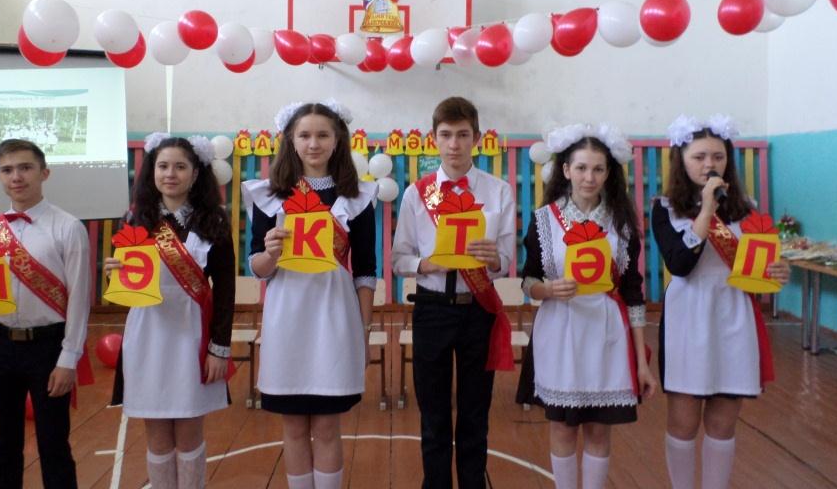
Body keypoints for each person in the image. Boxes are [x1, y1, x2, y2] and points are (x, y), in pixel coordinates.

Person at [515, 124, 657, 489]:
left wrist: (642, 362)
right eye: (581, 168)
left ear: (609, 173)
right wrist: (548, 290)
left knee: (598, 429)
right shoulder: (544, 220)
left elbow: (633, 292)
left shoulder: (621, 223)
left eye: (597, 169)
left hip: (607, 334)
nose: (589, 177)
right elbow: (527, 280)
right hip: (560, 331)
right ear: (566, 170)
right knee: (563, 428)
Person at [653, 115, 790, 489]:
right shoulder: (665, 208)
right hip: (687, 316)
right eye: (699, 157)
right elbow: (680, 264)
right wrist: (706, 211)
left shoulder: (748, 209)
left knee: (723, 422)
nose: (709, 164)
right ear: (681, 160)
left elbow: (757, 266)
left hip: (733, 317)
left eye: (717, 156)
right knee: (683, 422)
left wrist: (777, 271)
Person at [244, 101, 376, 489]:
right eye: (304, 135)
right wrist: (270, 253)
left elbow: (365, 271)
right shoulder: (269, 196)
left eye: (322, 135)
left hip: (334, 317)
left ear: (338, 140)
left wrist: (364, 331)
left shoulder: (357, 197)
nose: (313, 143)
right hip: (286, 318)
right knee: (294, 427)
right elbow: (258, 267)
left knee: (328, 426)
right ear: (291, 140)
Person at [0, 139, 92, 488]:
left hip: (49, 347)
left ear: (44, 173)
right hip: (0, 346)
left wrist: (69, 358)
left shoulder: (68, 227)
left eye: (25, 168)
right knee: (5, 448)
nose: (17, 176)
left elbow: (80, 298)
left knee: (53, 445)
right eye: (7, 170)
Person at [392, 96, 517, 489]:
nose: (454, 144)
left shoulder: (498, 191)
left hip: (478, 309)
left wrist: (494, 259)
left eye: (463, 135)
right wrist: (426, 264)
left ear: (477, 138)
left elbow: (507, 261)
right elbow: (398, 259)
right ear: (433, 138)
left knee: (475, 412)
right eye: (446, 135)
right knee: (433, 414)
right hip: (431, 309)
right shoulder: (417, 193)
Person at [106, 134, 235, 489]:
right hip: (147, 335)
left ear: (196, 173)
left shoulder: (213, 221)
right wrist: (115, 276)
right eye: (163, 166)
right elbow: (127, 292)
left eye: (180, 166)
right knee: (157, 433)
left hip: (193, 336)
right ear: (152, 172)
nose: (170, 174)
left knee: (190, 430)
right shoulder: (135, 219)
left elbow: (225, 291)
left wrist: (219, 348)